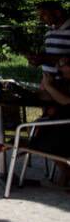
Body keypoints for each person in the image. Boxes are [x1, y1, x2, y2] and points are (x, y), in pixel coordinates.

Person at [32, 56, 70, 185]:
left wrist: (49, 87)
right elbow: (45, 97)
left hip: (65, 125)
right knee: (36, 132)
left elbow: (66, 101)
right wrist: (44, 88)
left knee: (43, 140)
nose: (58, 67)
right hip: (57, 121)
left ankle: (67, 172)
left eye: (62, 64)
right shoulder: (61, 82)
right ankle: (65, 171)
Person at [28, 1, 70, 80]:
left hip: (65, 87)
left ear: (57, 13)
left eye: (44, 14)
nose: (40, 19)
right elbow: (51, 54)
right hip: (48, 84)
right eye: (39, 16)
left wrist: (45, 59)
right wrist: (38, 58)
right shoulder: (49, 32)